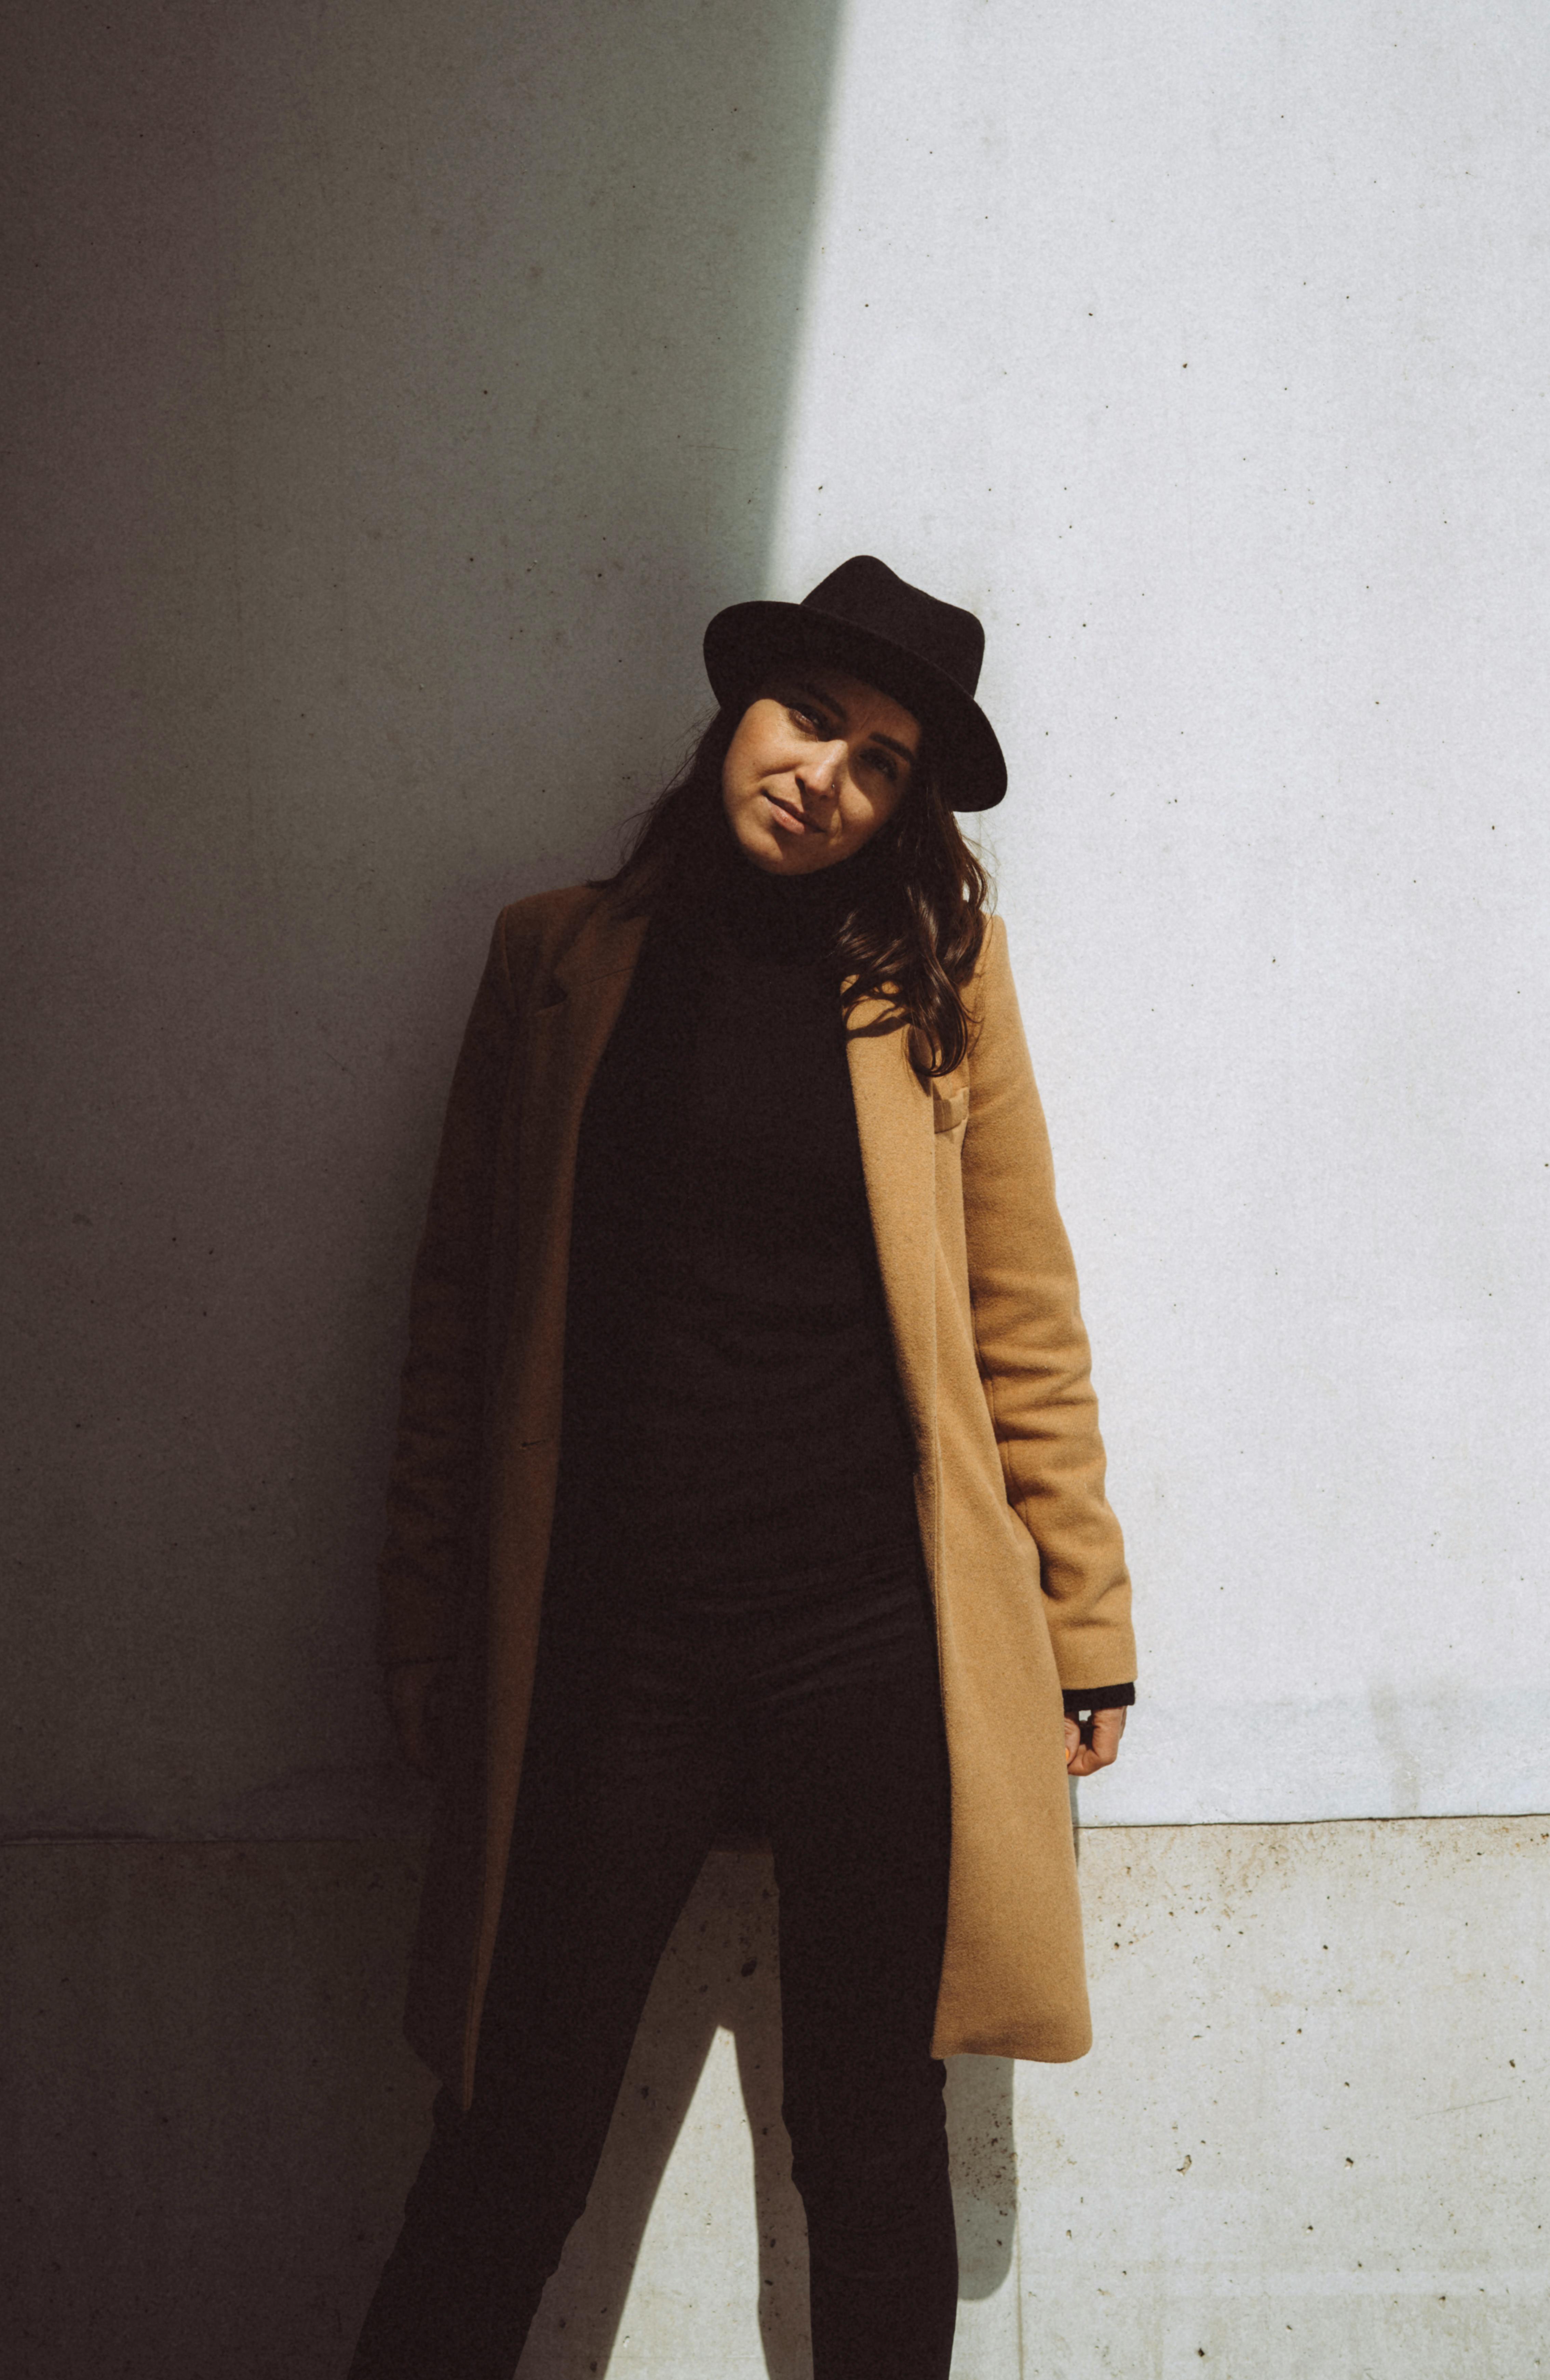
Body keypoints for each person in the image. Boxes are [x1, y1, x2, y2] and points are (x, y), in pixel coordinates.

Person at [348, 556, 1135, 2380]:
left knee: (868, 2135)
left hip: (870, 1640)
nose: (824, 777)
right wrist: (418, 1634)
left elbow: (1023, 1314)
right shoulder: (553, 960)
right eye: (807, 722)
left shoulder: (938, 974)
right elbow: (452, 1326)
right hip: (610, 1644)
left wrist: (1084, 1620)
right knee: (511, 2125)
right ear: (736, 711)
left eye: (879, 764)